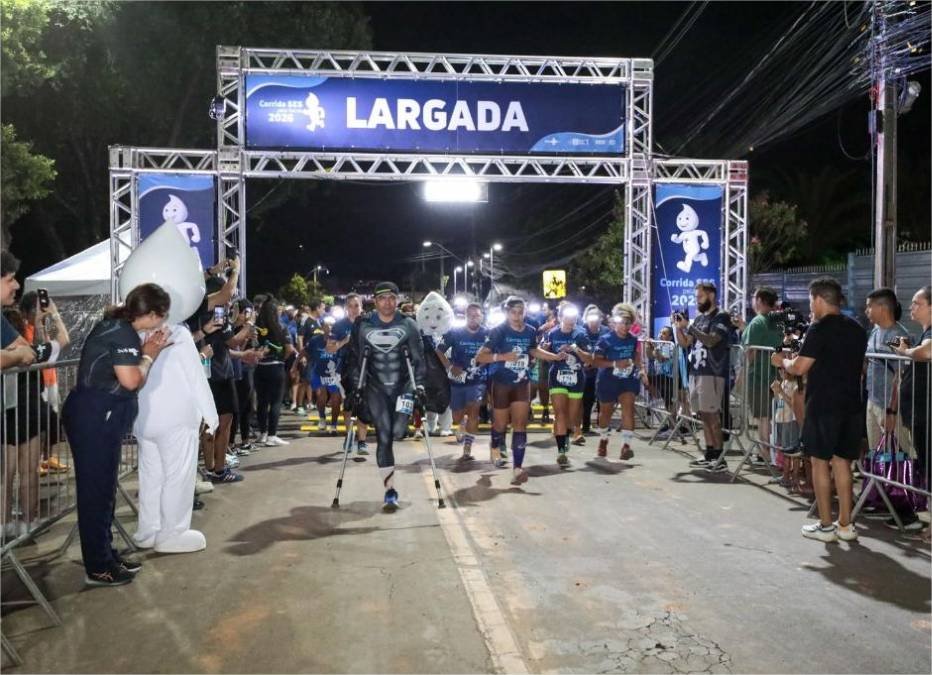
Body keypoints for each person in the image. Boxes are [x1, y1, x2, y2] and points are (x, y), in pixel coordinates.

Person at [62, 283, 172, 586]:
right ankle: (98, 567)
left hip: (97, 417)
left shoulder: (119, 328)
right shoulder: (121, 332)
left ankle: (106, 556)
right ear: (150, 314)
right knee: (96, 493)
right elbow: (131, 380)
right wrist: (150, 354)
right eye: (162, 316)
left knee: (104, 490)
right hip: (94, 418)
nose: (163, 323)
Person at [771, 277, 867, 543]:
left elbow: (800, 367)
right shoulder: (858, 329)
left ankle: (826, 525)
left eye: (812, 300)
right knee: (842, 463)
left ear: (820, 299)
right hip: (851, 405)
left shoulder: (819, 328)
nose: (810, 307)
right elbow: (862, 368)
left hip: (824, 405)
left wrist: (783, 361)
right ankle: (846, 525)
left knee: (819, 463)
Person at [133, 315, 218, 553]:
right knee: (177, 476)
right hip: (176, 417)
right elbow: (195, 376)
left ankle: (148, 530)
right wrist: (210, 415)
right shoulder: (178, 333)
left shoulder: (137, 332)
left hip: (144, 416)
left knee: (151, 477)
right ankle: (172, 532)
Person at [346, 282, 425, 511]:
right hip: (376, 388)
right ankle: (390, 491)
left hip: (403, 386)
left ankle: (391, 485)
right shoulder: (363, 326)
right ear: (375, 301)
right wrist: (354, 388)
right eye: (383, 299)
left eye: (392, 298)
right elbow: (355, 360)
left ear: (397, 300)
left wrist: (419, 387)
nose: (387, 303)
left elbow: (419, 361)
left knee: (399, 432)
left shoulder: (409, 325)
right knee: (384, 436)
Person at [476, 296, 566, 485]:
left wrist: (554, 357)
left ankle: (517, 468)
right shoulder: (498, 331)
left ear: (525, 312)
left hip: (521, 384)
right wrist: (503, 357)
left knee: (520, 424)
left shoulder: (530, 331)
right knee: (500, 425)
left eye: (520, 312)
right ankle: (495, 445)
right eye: (513, 312)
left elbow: (533, 351)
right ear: (507, 312)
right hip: (500, 383)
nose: (517, 316)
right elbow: (481, 357)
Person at [674, 282, 734, 472]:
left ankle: (719, 456)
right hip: (697, 372)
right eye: (696, 298)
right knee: (703, 415)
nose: (697, 301)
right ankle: (709, 453)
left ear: (711, 296)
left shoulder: (722, 317)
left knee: (712, 415)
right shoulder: (699, 319)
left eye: (700, 297)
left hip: (712, 373)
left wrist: (689, 327)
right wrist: (678, 327)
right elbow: (685, 344)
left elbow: (711, 340)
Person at [893, 285, 931, 538]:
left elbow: (926, 352)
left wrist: (904, 351)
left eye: (917, 303)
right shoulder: (924, 333)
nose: (911, 308)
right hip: (920, 414)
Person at [592, 305, 648, 460]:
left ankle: (626, 446)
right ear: (615, 323)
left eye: (628, 323)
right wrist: (615, 364)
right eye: (622, 323)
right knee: (606, 413)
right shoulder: (605, 339)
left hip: (627, 380)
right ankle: (603, 439)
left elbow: (637, 357)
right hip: (608, 380)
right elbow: (595, 361)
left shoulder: (633, 340)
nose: (625, 327)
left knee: (628, 409)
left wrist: (642, 370)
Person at [436, 303, 489, 462]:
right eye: (471, 315)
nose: (474, 318)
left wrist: (482, 364)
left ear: (482, 316)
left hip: (477, 379)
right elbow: (439, 350)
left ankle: (467, 447)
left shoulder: (488, 334)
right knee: (457, 415)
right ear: (465, 316)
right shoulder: (455, 333)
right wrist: (450, 367)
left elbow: (494, 352)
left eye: (477, 315)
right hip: (457, 380)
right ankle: (462, 423)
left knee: (474, 410)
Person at [541, 304, 591, 466]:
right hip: (557, 376)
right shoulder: (552, 333)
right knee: (560, 414)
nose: (570, 320)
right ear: (560, 317)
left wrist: (576, 349)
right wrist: (552, 353)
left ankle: (567, 435)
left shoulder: (581, 334)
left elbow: (589, 359)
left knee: (571, 417)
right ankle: (561, 451)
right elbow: (544, 354)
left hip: (576, 378)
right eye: (567, 317)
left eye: (573, 317)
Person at [740, 287, 784, 465]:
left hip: (759, 377)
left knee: (763, 417)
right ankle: (773, 454)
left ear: (759, 300)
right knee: (775, 417)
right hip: (776, 377)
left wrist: (742, 374)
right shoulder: (778, 321)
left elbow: (750, 352)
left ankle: (764, 453)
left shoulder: (758, 322)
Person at [863, 288, 910, 455]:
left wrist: (892, 411)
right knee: (876, 452)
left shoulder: (899, 336)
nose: (866, 311)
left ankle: (914, 480)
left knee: (904, 451)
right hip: (873, 401)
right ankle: (881, 481)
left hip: (890, 406)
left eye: (869, 306)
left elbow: (900, 377)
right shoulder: (875, 332)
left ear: (882, 308)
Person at [327, 293, 369, 455]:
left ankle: (362, 441)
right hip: (346, 370)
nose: (353, 309)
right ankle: (349, 435)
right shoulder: (339, 326)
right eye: (350, 306)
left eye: (356, 306)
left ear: (361, 307)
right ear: (346, 308)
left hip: (366, 368)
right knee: (350, 404)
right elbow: (329, 348)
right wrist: (345, 341)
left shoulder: (368, 323)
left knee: (364, 404)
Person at [255, 299, 294, 447]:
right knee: (276, 402)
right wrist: (281, 358)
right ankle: (272, 435)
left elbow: (253, 346)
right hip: (276, 367)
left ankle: (263, 434)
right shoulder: (281, 327)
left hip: (260, 367)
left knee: (262, 402)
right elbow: (289, 349)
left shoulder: (257, 329)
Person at [306, 318, 343, 435]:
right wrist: (296, 364)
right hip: (319, 372)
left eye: (332, 325)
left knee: (336, 400)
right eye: (328, 325)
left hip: (334, 374)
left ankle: (333, 425)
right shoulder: (314, 340)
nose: (330, 328)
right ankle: (322, 418)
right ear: (322, 328)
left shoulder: (339, 339)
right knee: (321, 396)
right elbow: (305, 351)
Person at [580, 305, 608, 439]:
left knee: (603, 398)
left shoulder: (606, 331)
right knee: (587, 399)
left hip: (601, 369)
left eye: (596, 317)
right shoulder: (580, 331)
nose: (593, 320)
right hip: (585, 370)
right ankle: (585, 425)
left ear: (601, 319)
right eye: (590, 317)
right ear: (586, 318)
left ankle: (602, 425)